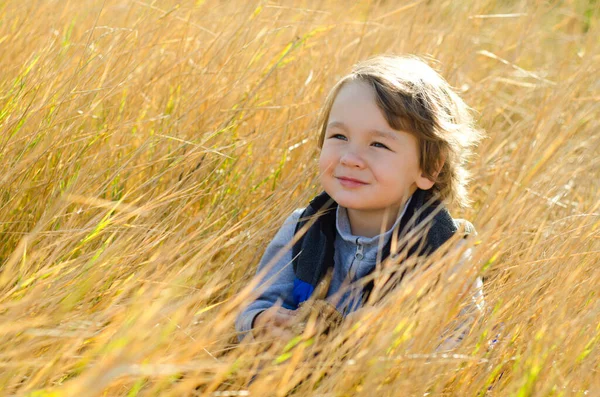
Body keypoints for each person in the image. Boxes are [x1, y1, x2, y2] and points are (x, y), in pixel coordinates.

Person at [235, 55, 484, 347]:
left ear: (430, 168)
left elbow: (462, 338)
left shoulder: (445, 250)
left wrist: (386, 339)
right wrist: (261, 322)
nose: (350, 158)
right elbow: (254, 304)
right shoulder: (304, 228)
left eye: (378, 144)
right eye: (339, 136)